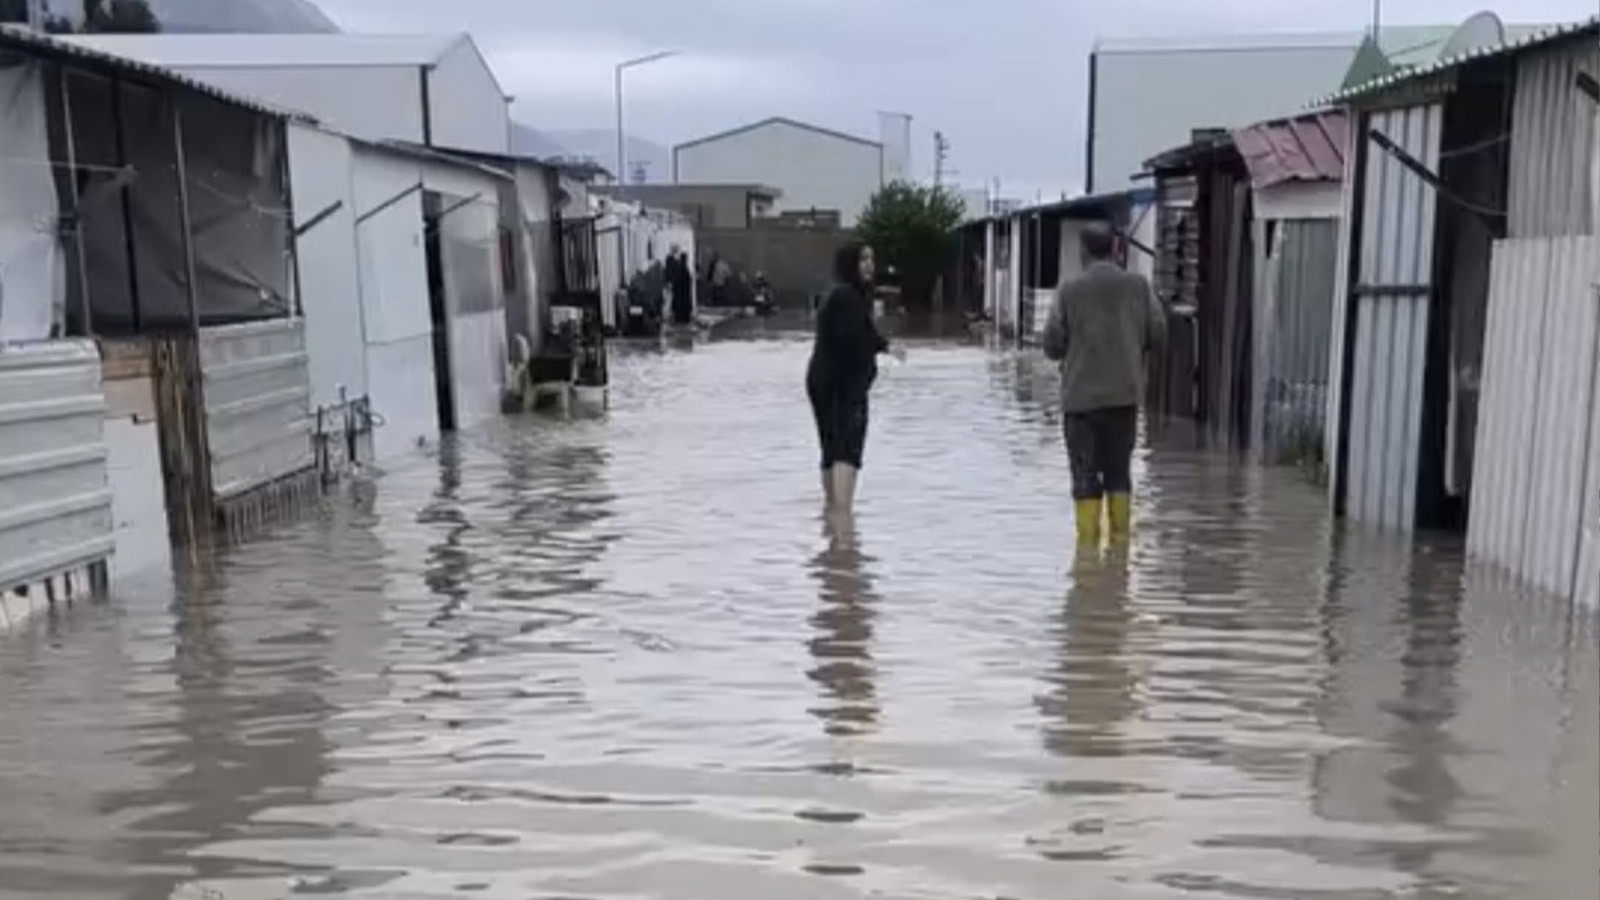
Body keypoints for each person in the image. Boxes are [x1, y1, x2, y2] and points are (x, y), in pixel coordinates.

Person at [1042, 223, 1166, 545]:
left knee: (1084, 476)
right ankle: (1120, 552)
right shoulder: (1138, 287)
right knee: (1119, 474)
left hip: (1080, 402)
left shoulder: (1068, 291)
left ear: (1084, 252)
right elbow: (1160, 335)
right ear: (1115, 249)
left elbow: (1052, 346)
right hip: (1123, 398)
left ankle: (1087, 558)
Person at [806, 242, 903, 515]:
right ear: (850, 264)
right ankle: (843, 523)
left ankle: (832, 516)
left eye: (872, 258)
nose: (869, 264)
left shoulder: (841, 294)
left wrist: (886, 346)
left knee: (830, 448)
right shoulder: (848, 296)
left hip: (823, 379)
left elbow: (863, 333)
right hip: (842, 383)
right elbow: (853, 337)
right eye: (862, 259)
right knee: (847, 450)